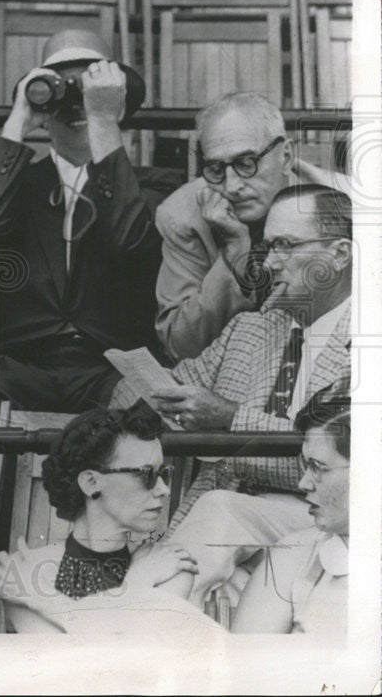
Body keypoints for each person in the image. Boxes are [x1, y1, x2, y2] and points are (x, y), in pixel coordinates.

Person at [111, 185, 352, 608]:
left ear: (340, 253)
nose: (270, 263)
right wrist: (152, 398)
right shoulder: (253, 328)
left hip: (330, 516)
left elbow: (346, 456)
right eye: (267, 246)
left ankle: (128, 628)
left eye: (286, 246)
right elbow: (166, 385)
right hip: (231, 526)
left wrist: (229, 419)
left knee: (217, 515)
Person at [0, 28, 161, 413]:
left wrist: (103, 120)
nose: (76, 107)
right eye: (64, 92)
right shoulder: (16, 184)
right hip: (24, 361)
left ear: (117, 104)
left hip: (110, 365)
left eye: (88, 92)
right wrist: (21, 118)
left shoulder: (149, 186)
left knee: (141, 404)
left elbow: (126, 238)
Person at [155, 92, 349, 361]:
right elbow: (181, 347)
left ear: (286, 156)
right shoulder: (183, 216)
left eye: (247, 163)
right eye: (215, 168)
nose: (232, 186)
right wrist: (234, 255)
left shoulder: (342, 202)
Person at [0, 406, 202, 634]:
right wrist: (140, 581)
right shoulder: (25, 568)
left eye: (164, 474)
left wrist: (41, 599)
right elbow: (56, 664)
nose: (163, 490)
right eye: (146, 474)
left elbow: (131, 655)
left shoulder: (171, 565)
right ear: (91, 482)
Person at [233, 378, 350, 633]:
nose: (303, 483)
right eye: (306, 466)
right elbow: (245, 666)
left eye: (318, 468)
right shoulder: (293, 557)